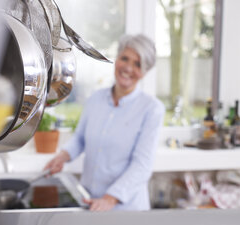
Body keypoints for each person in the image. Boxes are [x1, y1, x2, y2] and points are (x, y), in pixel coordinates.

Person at [44, 34, 165, 211]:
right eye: (125, 58)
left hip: (125, 209)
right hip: (89, 201)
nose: (128, 68)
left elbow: (142, 166)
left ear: (145, 72)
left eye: (137, 64)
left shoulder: (152, 109)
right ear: (117, 59)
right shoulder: (95, 99)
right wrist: (63, 156)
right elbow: (80, 139)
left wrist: (110, 199)